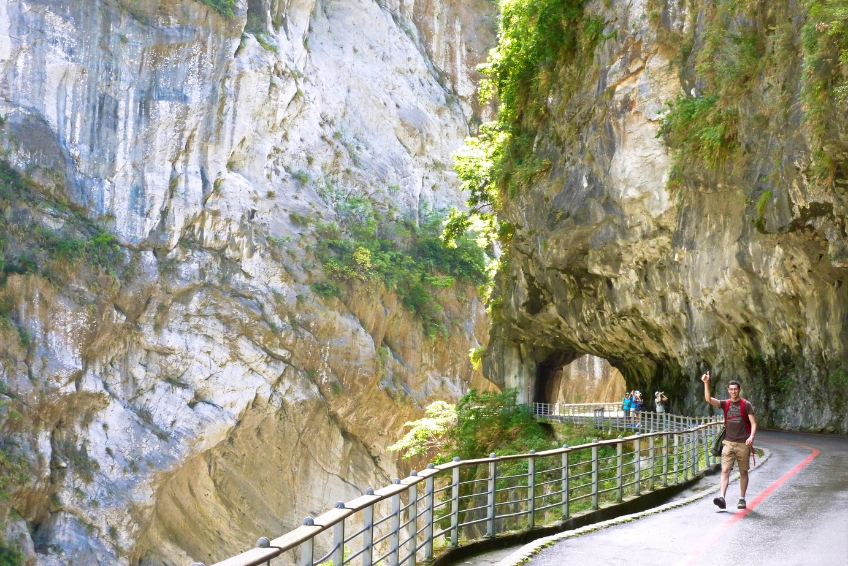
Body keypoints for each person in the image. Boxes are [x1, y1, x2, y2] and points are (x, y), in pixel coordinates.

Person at [701, 371, 757, 510]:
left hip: (743, 443)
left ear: (739, 390)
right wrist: (706, 383)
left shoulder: (746, 404)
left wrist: (751, 437)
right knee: (725, 470)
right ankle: (722, 498)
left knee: (743, 472)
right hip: (728, 443)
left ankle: (742, 499)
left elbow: (754, 423)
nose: (733, 391)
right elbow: (709, 399)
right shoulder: (725, 404)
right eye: (731, 389)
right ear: (728, 390)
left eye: (735, 389)